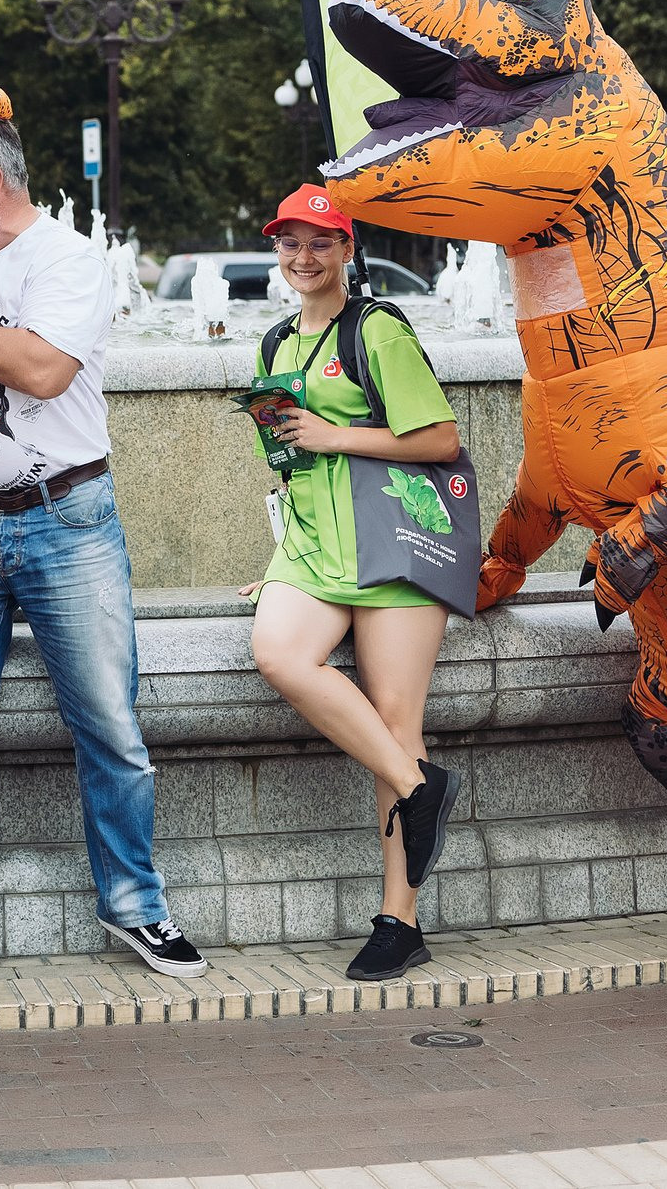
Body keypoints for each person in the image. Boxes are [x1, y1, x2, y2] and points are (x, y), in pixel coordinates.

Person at [0, 120, 207, 989]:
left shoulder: (67, 261)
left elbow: (40, 372)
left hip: (65, 517)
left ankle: (136, 901)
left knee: (110, 724)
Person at [236, 186, 461, 982]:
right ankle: (419, 788)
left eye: (320, 243)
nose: (304, 257)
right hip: (314, 550)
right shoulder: (273, 343)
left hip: (394, 542)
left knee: (396, 720)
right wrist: (273, 566)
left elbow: (440, 437)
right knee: (278, 651)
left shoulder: (376, 329)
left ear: (347, 248)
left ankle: (399, 922)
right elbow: (290, 464)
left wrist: (335, 432)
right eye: (290, 243)